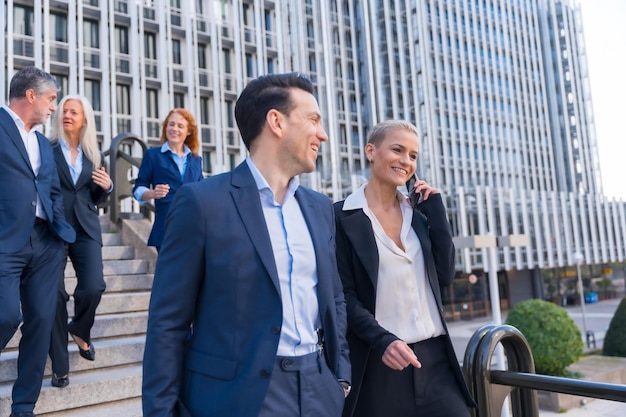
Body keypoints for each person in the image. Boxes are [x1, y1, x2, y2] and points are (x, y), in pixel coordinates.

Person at [142, 73, 351, 417]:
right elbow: (167, 322)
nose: (322, 134)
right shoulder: (202, 203)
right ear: (276, 122)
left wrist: (339, 377)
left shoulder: (320, 209)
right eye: (313, 120)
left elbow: (335, 297)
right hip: (238, 398)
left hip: (319, 392)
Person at [334, 120, 475, 417]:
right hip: (380, 365)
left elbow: (445, 276)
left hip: (436, 363)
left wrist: (436, 212)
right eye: (397, 150)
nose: (406, 161)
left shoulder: (421, 216)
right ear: (370, 151)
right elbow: (343, 296)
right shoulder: (340, 217)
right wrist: (381, 339)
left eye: (413, 155)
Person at [0, 66, 76, 417]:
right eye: (50, 99)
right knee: (5, 315)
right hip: (6, 240)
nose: (53, 108)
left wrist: (60, 228)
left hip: (46, 243)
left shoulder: (45, 144)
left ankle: (24, 406)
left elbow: (51, 189)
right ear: (30, 95)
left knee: (42, 320)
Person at [47, 94, 113, 388]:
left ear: (84, 118)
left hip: (86, 227)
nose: (67, 115)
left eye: (74, 112)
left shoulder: (93, 155)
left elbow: (93, 197)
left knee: (94, 285)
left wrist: (107, 187)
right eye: (64, 111)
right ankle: (60, 367)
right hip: (53, 228)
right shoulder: (45, 149)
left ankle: (80, 329)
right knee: (56, 296)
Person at [132, 108, 204, 251]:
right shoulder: (153, 156)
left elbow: (202, 190)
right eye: (171, 124)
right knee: (169, 273)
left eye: (180, 126)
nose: (174, 129)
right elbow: (138, 188)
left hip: (193, 228)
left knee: (192, 273)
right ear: (165, 127)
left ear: (189, 131)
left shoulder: (196, 160)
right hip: (166, 228)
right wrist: (152, 193)